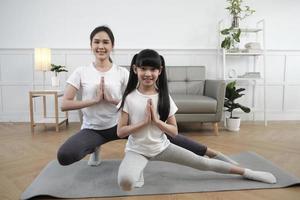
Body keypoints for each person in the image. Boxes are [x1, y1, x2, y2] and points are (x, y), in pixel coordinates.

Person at [57, 25, 237, 167]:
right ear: (91, 45)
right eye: (96, 42)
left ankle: (212, 154)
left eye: (105, 42)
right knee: (65, 156)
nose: (101, 46)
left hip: (122, 125)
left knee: (171, 136)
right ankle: (94, 147)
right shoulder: (81, 72)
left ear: (112, 46)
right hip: (93, 129)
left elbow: (137, 98)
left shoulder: (121, 72)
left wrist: (113, 101)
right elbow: (64, 104)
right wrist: (93, 101)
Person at [117, 49, 277, 191]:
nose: (147, 73)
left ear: (160, 71)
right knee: (125, 182)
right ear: (135, 69)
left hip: (162, 147)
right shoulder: (129, 98)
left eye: (153, 69)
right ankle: (137, 171)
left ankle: (247, 172)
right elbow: (120, 131)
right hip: (136, 150)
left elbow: (174, 131)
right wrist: (143, 123)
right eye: (143, 68)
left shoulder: (164, 97)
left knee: (204, 163)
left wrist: (157, 123)